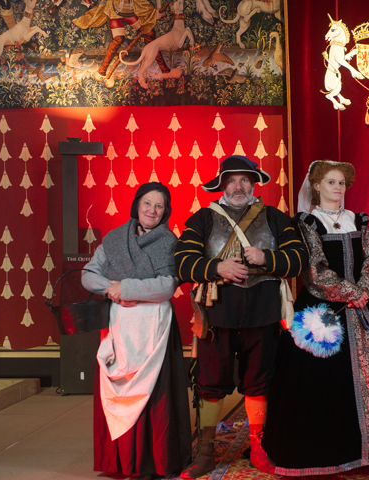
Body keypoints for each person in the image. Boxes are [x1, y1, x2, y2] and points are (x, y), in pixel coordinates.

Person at [263, 160, 369, 475]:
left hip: (363, 308)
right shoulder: (308, 222)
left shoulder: (358, 219)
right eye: (330, 183)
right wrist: (350, 293)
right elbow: (315, 270)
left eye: (341, 183)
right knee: (317, 381)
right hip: (322, 310)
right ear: (317, 186)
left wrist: (364, 290)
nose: (337, 189)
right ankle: (330, 450)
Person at [175, 155, 306, 478]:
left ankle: (259, 447)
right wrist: (216, 267)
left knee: (259, 382)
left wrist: (268, 257)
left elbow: (299, 260)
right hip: (215, 316)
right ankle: (205, 451)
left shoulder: (276, 218)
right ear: (221, 184)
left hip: (262, 314)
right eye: (232, 180)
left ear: (254, 184)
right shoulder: (202, 219)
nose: (238, 186)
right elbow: (181, 262)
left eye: (245, 180)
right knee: (208, 384)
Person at [82, 182, 191, 480]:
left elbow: (168, 285)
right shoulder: (115, 238)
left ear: (166, 211)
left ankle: (153, 461)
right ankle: (120, 461)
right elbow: (89, 274)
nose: (152, 211)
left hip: (155, 326)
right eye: (147, 204)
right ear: (136, 205)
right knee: (116, 390)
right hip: (121, 323)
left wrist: (126, 287)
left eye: (159, 206)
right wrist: (112, 290)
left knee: (155, 396)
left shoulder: (170, 241)